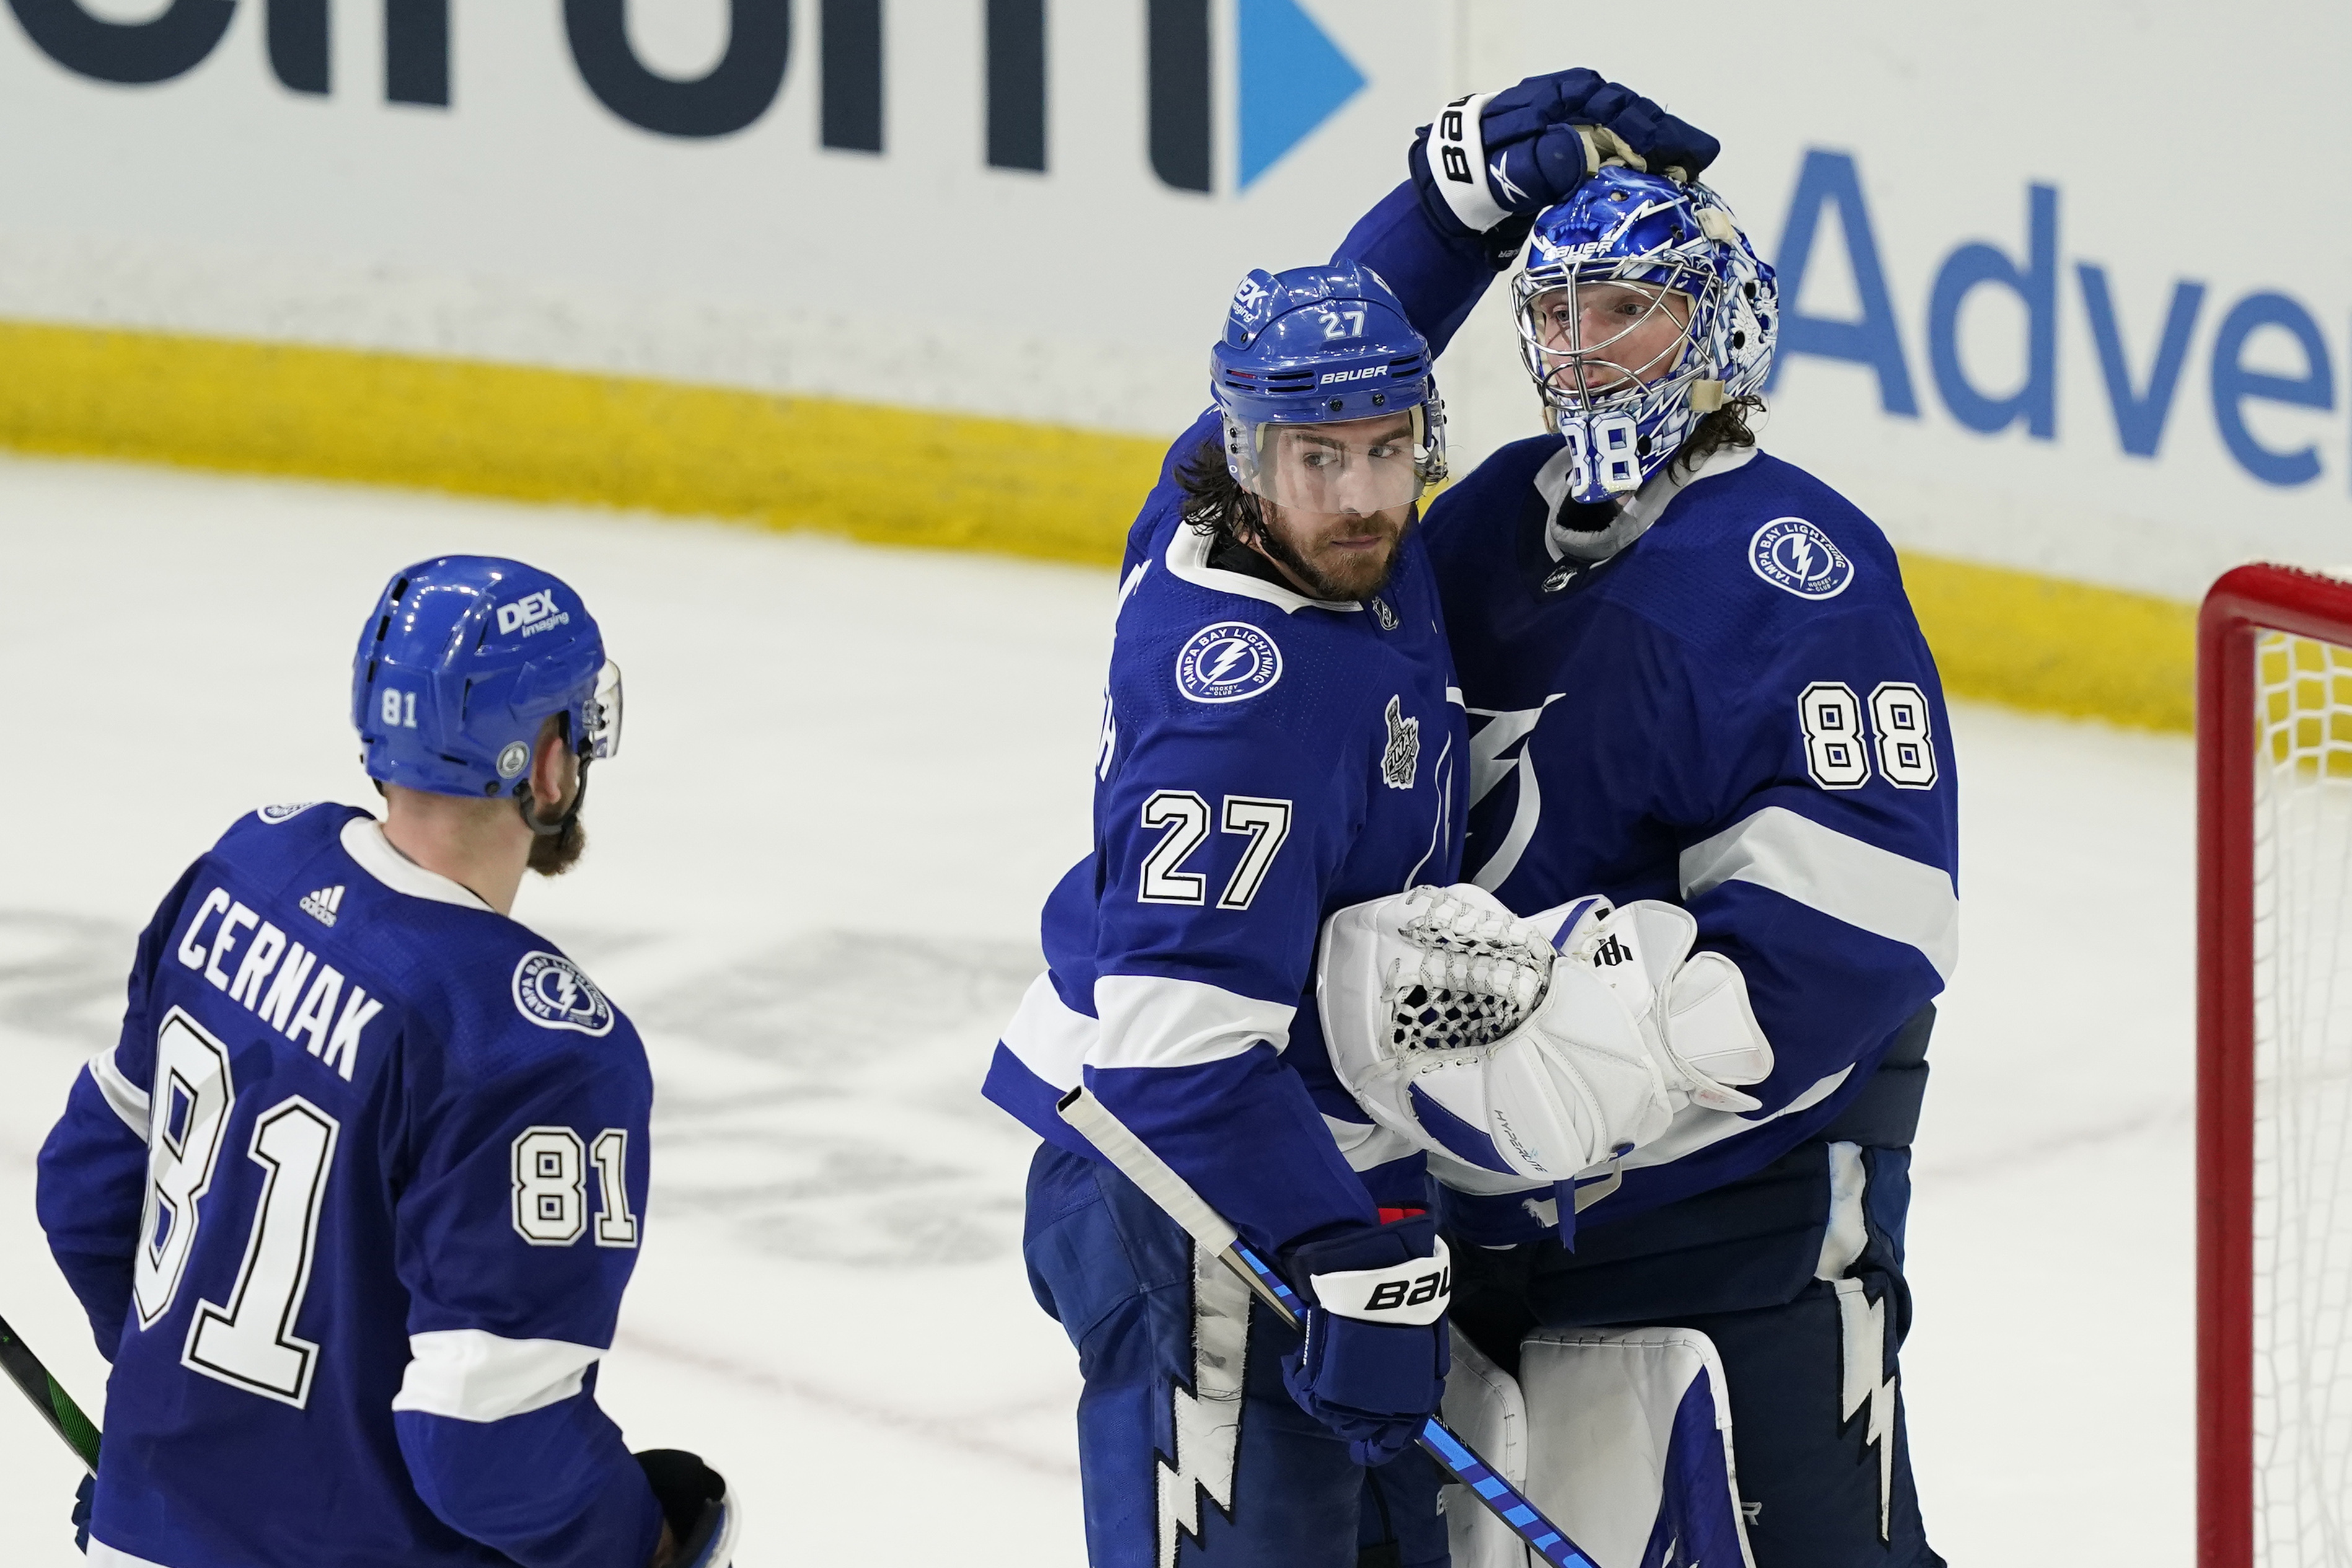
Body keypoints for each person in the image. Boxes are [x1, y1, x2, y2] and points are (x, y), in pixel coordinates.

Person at [980, 74, 1720, 1568]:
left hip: (1309, 1155)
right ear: (1248, 460)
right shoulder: (1238, 703)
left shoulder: (1240, 505)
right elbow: (1174, 1057)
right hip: (1186, 1197)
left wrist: (1459, 205)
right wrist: (1334, 1255)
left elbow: (1351, 331)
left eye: (1389, 448)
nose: (1364, 495)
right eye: (1319, 461)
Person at [1318, 155, 1956, 1566]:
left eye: (1627, 310)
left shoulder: (1800, 567)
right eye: (1555, 314)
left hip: (1730, 1211)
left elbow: (1869, 920)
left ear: (1720, 328)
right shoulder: (1486, 516)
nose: (1583, 350)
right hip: (1473, 1204)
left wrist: (1614, 1059)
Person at [35, 557, 736, 1568]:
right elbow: (485, 1439)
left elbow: (88, 1192)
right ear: (546, 764)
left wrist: (184, 1443)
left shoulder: (247, 870)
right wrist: (646, 1546)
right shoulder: (533, 1046)